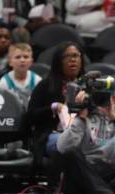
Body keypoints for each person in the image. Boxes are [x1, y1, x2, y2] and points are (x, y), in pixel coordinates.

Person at [26, 42, 85, 170]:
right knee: (72, 144)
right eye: (67, 56)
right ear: (58, 62)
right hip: (52, 135)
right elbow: (29, 117)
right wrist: (52, 108)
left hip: (84, 134)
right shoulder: (46, 85)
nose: (72, 59)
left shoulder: (87, 86)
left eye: (76, 55)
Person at [0, 43, 41, 108]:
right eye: (18, 57)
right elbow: (2, 105)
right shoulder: (4, 82)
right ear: (10, 62)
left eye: (26, 57)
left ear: (31, 61)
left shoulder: (37, 80)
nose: (22, 60)